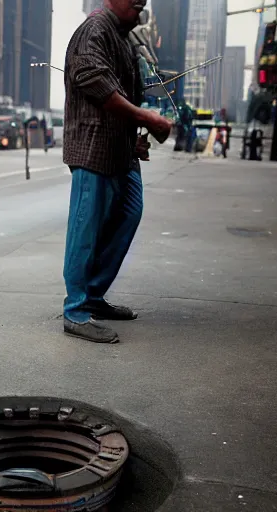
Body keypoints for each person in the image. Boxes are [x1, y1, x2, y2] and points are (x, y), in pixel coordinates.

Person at [62, 0, 172, 344]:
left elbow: (122, 93)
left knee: (128, 214)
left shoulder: (123, 37)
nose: (140, 1)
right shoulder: (95, 30)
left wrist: (134, 136)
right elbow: (97, 84)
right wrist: (146, 118)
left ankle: (94, 296)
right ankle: (76, 311)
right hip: (93, 148)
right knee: (86, 228)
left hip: (121, 150)